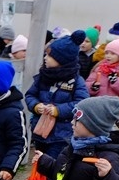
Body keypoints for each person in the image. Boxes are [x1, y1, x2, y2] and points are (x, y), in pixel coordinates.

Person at [24, 30, 89, 159]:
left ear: (61, 59)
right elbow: (30, 95)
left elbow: (82, 104)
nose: (45, 58)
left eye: (49, 55)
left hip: (62, 136)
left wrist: (58, 110)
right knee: (39, 163)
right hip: (40, 132)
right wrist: (36, 106)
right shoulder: (43, 76)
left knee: (52, 166)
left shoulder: (76, 81)